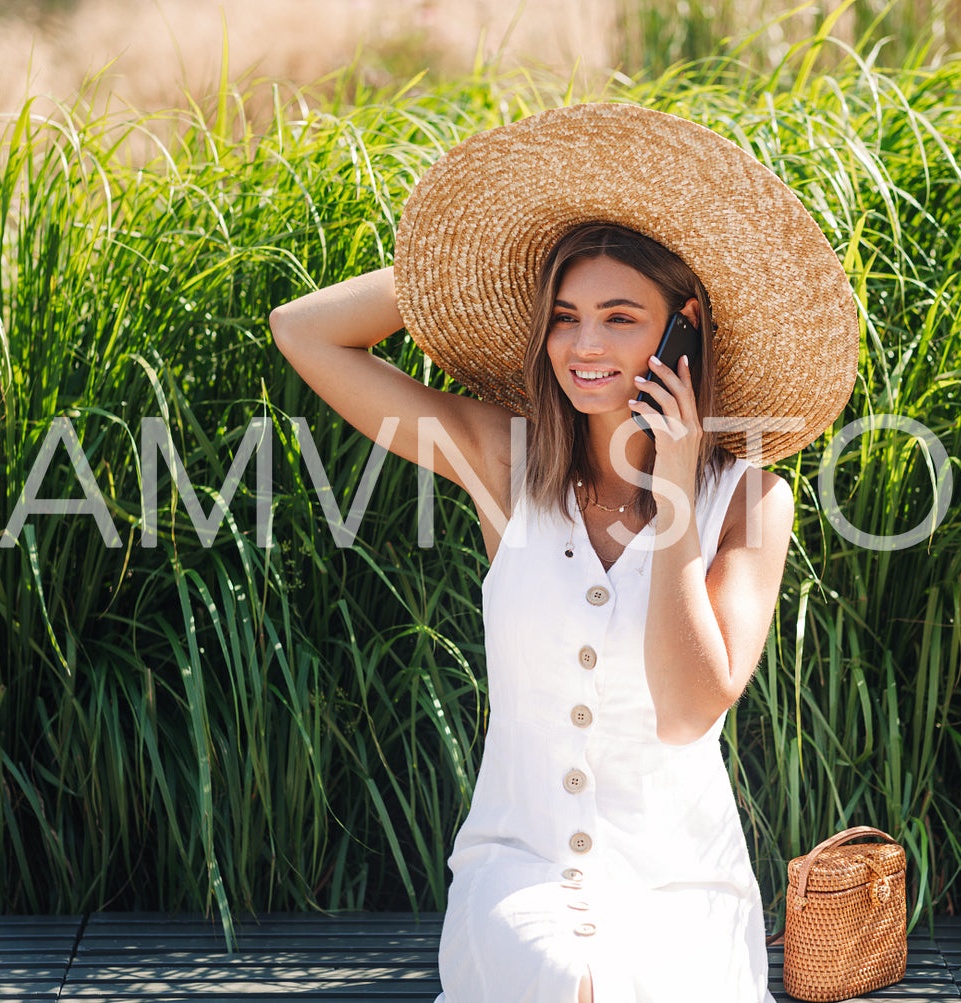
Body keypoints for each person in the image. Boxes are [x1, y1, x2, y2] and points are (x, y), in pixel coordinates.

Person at [270, 103, 860, 1003]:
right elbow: (303, 329)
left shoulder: (748, 500)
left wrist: (671, 485)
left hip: (680, 887)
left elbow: (686, 709)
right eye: (562, 316)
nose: (583, 346)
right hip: (520, 868)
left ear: (684, 326)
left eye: (620, 317)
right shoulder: (503, 462)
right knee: (562, 978)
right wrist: (476, 260)